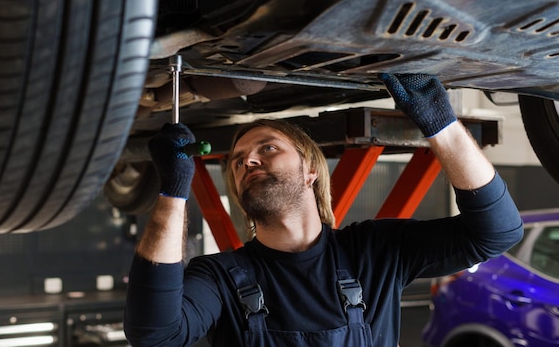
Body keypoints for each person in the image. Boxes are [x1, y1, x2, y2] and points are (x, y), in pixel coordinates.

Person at [124, 74, 523, 347]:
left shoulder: (375, 251)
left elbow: (497, 231)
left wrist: (442, 125)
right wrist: (173, 191)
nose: (247, 161)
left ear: (311, 170)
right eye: (238, 159)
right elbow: (154, 335)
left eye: (267, 148)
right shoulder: (219, 278)